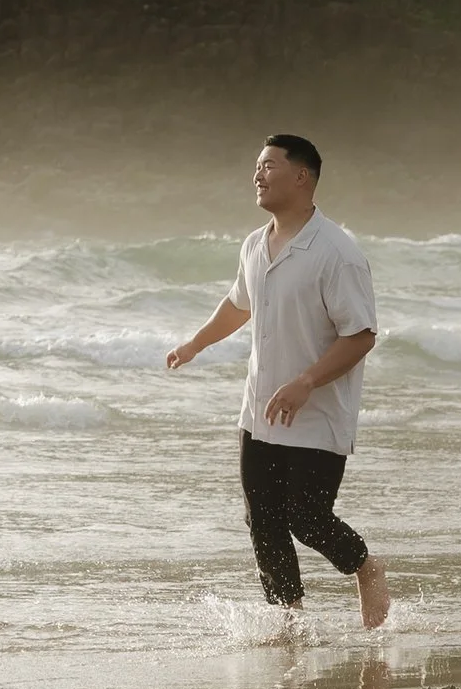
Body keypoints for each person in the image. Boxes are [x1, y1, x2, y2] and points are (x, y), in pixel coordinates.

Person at [166, 132, 393, 628]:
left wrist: (307, 381)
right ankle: (289, 621)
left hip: (316, 412)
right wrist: (194, 344)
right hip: (258, 410)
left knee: (306, 519)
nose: (258, 175)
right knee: (262, 521)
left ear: (301, 176)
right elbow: (237, 305)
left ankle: (366, 567)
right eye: (256, 166)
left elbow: (361, 336)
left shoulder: (337, 252)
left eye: (269, 165)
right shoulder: (254, 244)